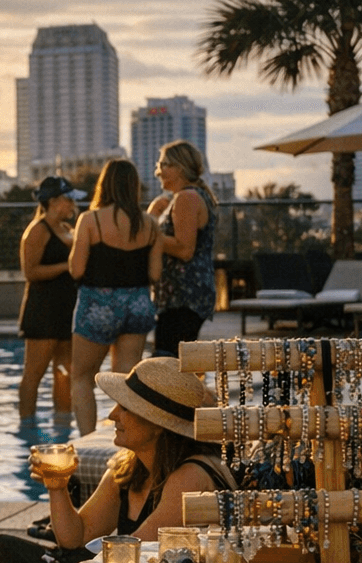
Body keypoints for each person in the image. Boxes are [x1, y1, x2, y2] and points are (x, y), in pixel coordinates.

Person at [0, 358, 233, 563]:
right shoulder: (129, 466)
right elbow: (75, 537)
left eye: (125, 407)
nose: (113, 415)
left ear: (157, 423)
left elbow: (129, 556)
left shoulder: (192, 475)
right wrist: (58, 487)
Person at [68, 159, 163, 436]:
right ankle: (126, 440)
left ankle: (86, 443)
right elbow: (155, 274)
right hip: (137, 305)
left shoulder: (90, 219)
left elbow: (76, 270)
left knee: (82, 377)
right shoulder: (151, 224)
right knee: (125, 381)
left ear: (104, 185)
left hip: (99, 306)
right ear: (134, 186)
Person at [17, 176, 78, 420]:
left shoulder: (66, 229)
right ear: (53, 201)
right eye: (69, 199)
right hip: (43, 311)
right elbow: (30, 272)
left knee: (65, 372)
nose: (73, 204)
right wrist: (67, 266)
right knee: (34, 373)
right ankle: (26, 426)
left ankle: (63, 425)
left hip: (66, 309)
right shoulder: (36, 230)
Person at [151, 140, 219, 356]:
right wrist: (153, 215)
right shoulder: (191, 196)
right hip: (181, 298)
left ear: (179, 167)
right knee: (178, 366)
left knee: (165, 364)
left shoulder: (187, 198)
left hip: (183, 298)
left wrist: (149, 233)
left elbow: (184, 249)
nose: (157, 172)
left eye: (163, 165)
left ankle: (202, 392)